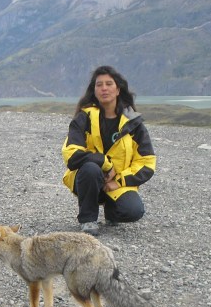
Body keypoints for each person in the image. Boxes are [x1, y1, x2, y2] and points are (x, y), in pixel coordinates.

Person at [62, 66, 156, 236]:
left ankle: (112, 213)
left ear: (118, 89)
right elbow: (71, 154)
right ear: (94, 90)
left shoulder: (133, 123)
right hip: (88, 179)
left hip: (116, 183)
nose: (104, 88)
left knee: (133, 211)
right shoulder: (84, 118)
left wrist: (119, 180)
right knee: (90, 169)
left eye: (109, 84)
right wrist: (104, 164)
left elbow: (147, 163)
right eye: (99, 85)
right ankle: (88, 219)